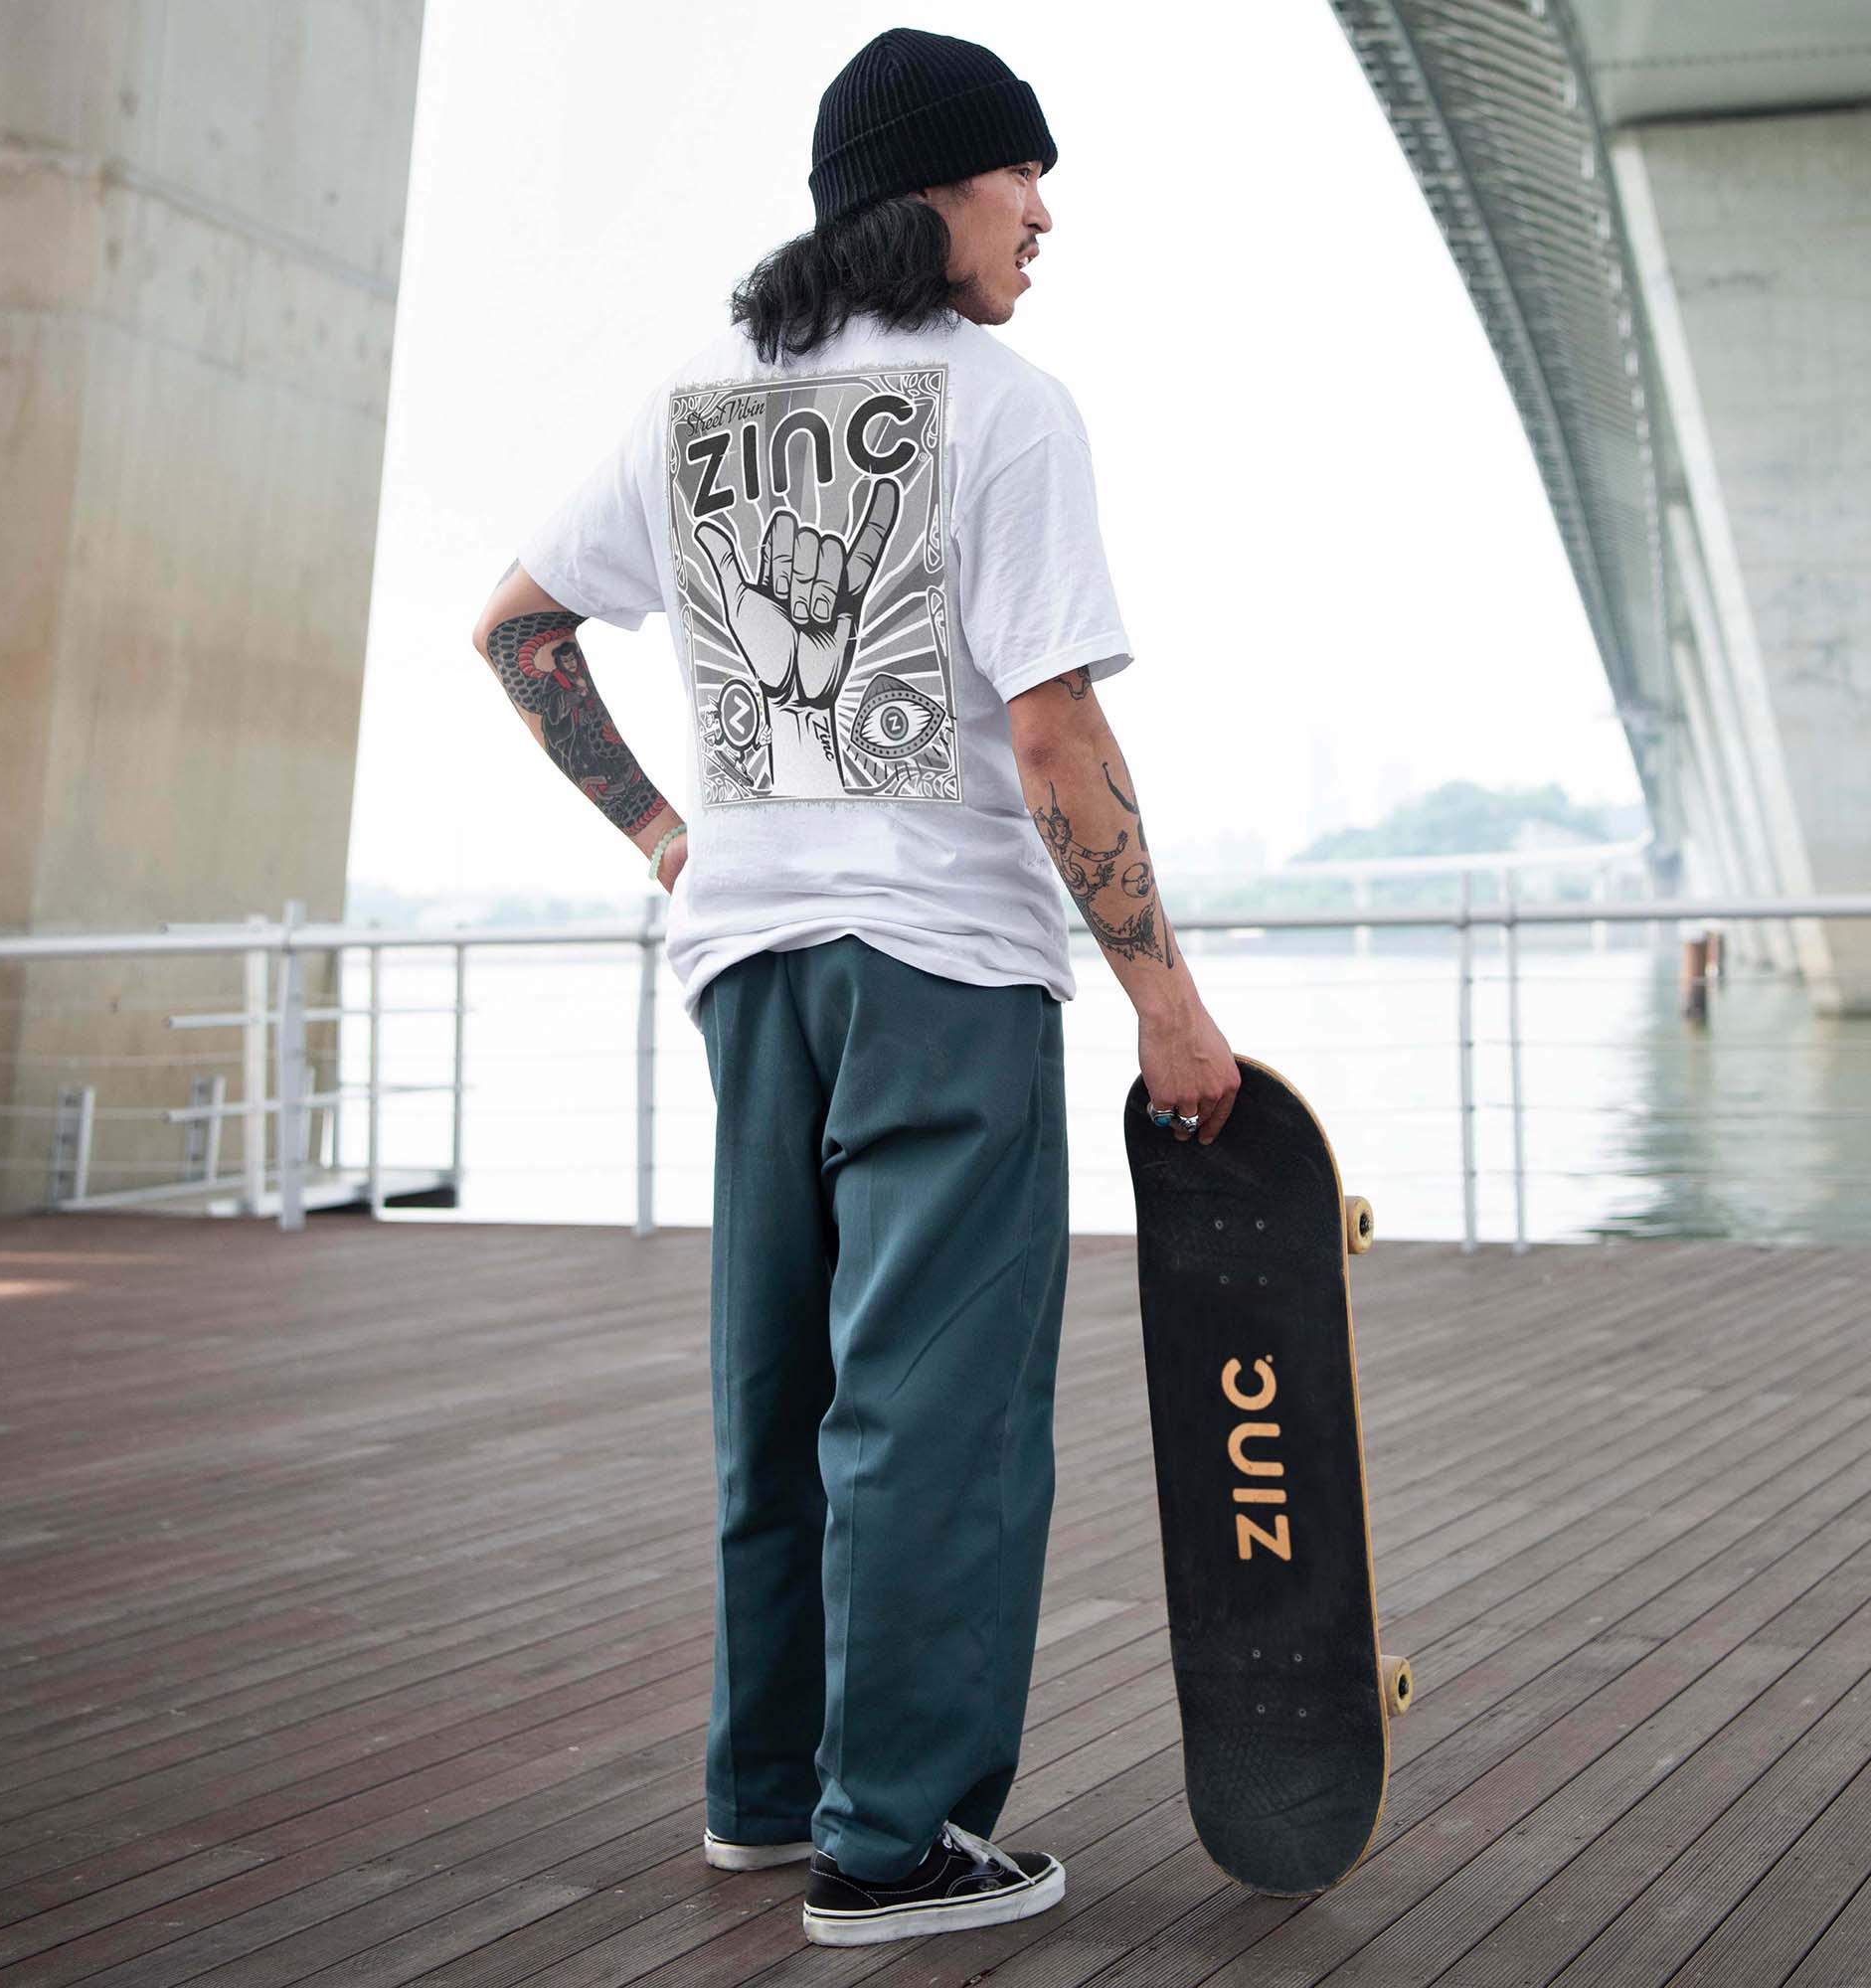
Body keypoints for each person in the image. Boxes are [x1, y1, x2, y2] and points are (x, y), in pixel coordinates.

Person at [470, 26, 1239, 1947]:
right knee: (935, 1415)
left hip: (752, 969)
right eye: (1020, 174)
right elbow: (1054, 735)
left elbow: (519, 630)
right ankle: (891, 1844)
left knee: (781, 1390)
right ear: (930, 193)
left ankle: (766, 1794)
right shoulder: (1005, 406)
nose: (1044, 213)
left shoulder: (696, 401)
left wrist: (674, 841)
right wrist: (1165, 1001)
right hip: (943, 970)